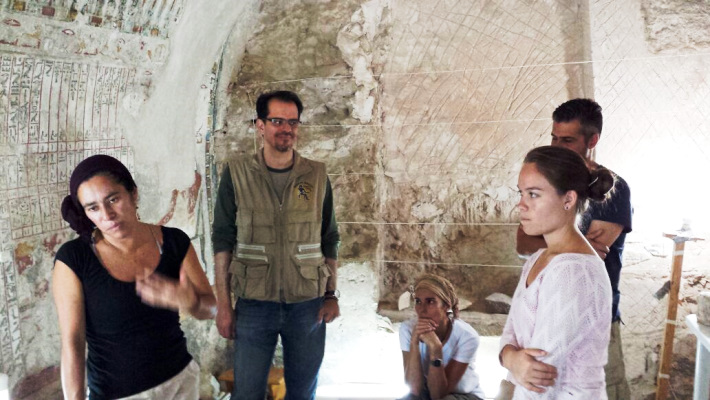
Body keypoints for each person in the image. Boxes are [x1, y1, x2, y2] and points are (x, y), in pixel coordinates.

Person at [52, 154, 216, 400]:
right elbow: (73, 343)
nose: (107, 214)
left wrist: (190, 301)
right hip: (116, 394)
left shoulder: (173, 242)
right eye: (93, 208)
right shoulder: (74, 259)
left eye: (113, 199)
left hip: (180, 383)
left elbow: (211, 309)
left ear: (133, 194)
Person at [212, 90, 341, 400]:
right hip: (254, 303)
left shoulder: (315, 175)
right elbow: (222, 239)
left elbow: (329, 237)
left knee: (302, 392)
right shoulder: (237, 173)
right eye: (277, 121)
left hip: (307, 304)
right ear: (260, 125)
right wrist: (224, 306)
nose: (287, 129)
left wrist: (331, 295)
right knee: (247, 392)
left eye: (293, 122)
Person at [515, 99, 632, 399]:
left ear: (592, 141)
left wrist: (552, 236)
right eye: (554, 138)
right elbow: (523, 243)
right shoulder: (546, 181)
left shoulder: (612, 189)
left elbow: (590, 251)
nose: (557, 146)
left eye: (567, 140)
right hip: (546, 310)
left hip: (592, 318)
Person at [500, 145, 614, 398]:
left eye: (533, 194)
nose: (521, 205)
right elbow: (509, 335)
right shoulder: (539, 258)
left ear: (568, 200)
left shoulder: (573, 272)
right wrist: (511, 358)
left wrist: (513, 359)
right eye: (521, 193)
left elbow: (538, 380)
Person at [399, 274, 486, 400]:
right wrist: (414, 343)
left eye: (430, 302)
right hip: (426, 393)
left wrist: (435, 349)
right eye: (418, 301)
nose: (422, 309)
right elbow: (414, 389)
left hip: (464, 395)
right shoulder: (407, 329)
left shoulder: (467, 336)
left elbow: (438, 395)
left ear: (446, 306)